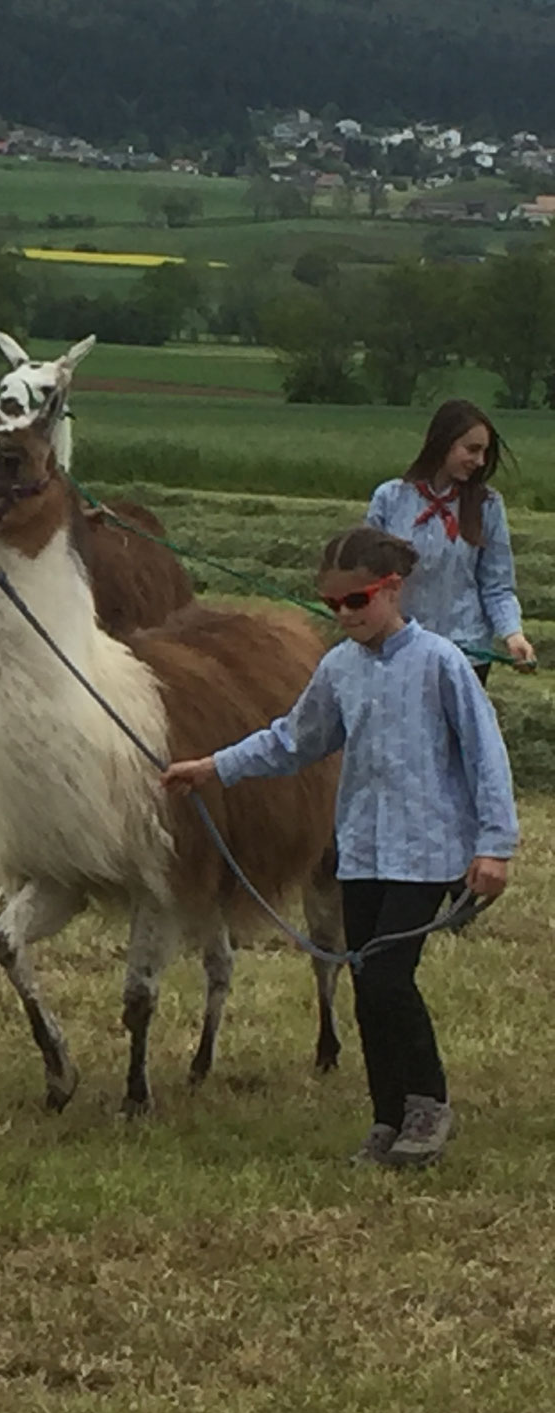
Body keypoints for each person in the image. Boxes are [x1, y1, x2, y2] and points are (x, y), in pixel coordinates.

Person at [162, 526, 517, 1170]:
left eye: (357, 602)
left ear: (392, 590)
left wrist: (494, 847)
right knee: (363, 980)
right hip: (363, 850)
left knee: (387, 978)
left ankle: (428, 1105)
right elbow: (292, 740)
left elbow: (486, 757)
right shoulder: (339, 670)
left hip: (426, 852)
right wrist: (214, 767)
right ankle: (388, 1118)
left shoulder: (441, 663)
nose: (346, 616)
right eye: (332, 606)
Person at [365, 398, 535, 682]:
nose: (480, 461)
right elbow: (367, 573)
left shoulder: (488, 505)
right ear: (443, 442)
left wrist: (512, 634)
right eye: (472, 449)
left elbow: (497, 585)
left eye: (484, 452)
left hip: (466, 656)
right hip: (401, 649)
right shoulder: (390, 498)